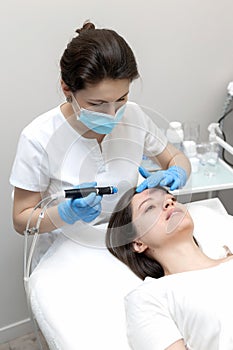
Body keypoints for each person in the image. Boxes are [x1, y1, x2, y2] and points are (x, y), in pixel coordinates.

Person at [9, 21, 191, 348]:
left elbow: (175, 157)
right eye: (97, 104)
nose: (113, 113)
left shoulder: (134, 116)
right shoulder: (37, 137)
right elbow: (21, 219)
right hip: (72, 248)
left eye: (121, 98)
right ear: (67, 89)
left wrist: (177, 172)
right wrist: (64, 213)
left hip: (131, 238)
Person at [106, 186, 233, 350]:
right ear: (138, 243)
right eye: (150, 207)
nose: (168, 203)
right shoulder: (150, 297)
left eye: (171, 198)